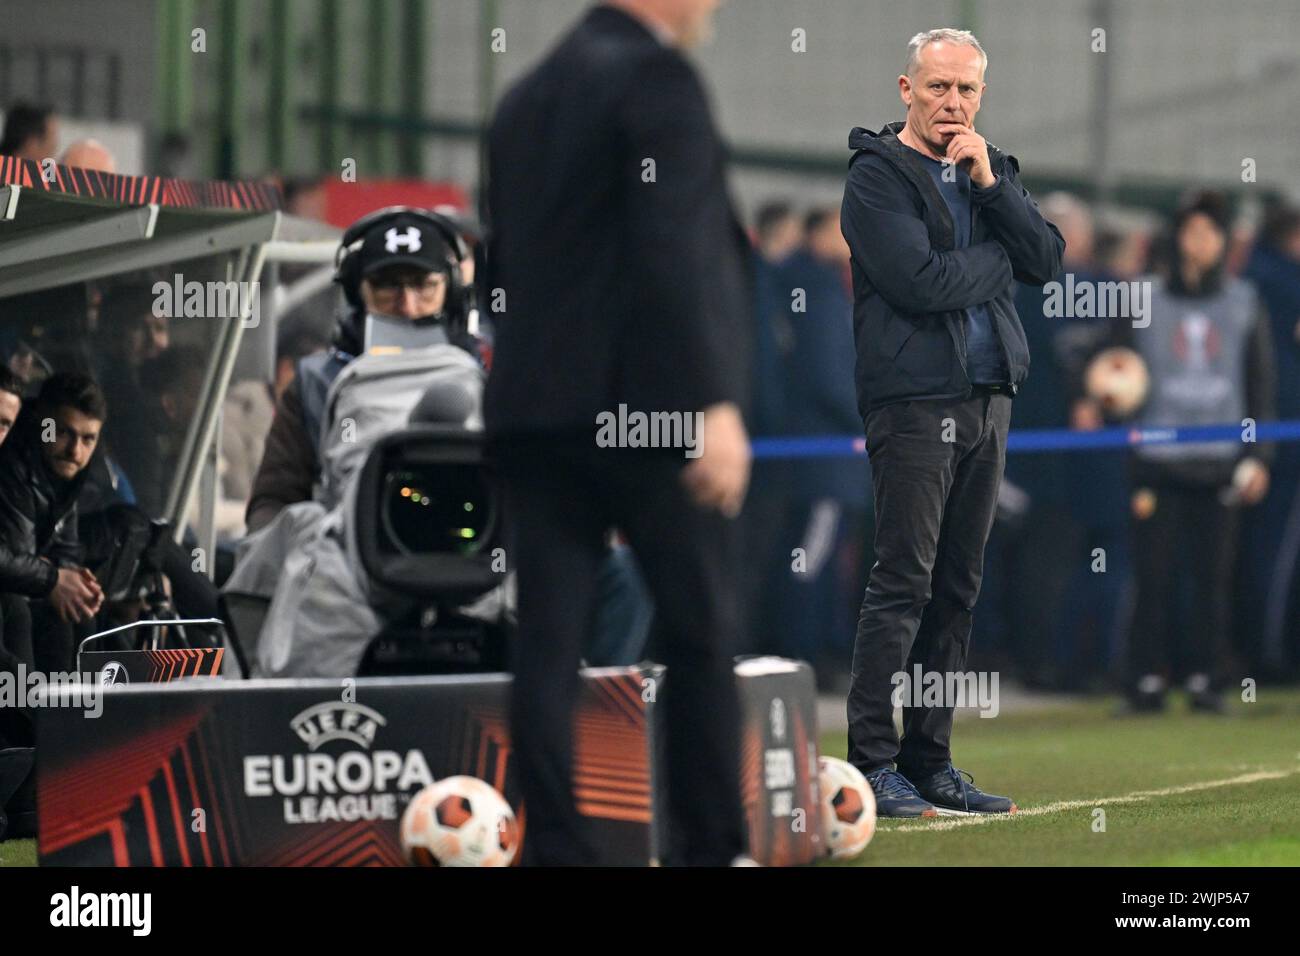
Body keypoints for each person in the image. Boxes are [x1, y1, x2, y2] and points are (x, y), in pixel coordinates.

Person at [485, 0, 752, 866]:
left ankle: (557, 851)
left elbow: (509, 261)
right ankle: (711, 849)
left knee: (549, 645)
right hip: (642, 407)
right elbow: (673, 247)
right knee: (700, 629)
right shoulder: (657, 80)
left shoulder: (523, 97)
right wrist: (710, 402)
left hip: (532, 410)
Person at [840, 28, 1063, 816]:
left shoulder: (989, 171)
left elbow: (1048, 257)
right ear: (907, 90)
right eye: (938, 88)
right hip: (913, 405)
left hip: (988, 397)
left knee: (957, 590)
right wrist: (999, 257)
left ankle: (929, 760)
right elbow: (920, 282)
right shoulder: (875, 179)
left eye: (966, 90)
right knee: (902, 581)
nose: (953, 104)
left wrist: (993, 190)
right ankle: (869, 764)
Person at [1086, 192, 1276, 713]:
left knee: (1214, 579)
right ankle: (1143, 679)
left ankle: (1205, 680)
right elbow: (1114, 362)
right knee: (1152, 576)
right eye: (1192, 231)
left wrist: (1259, 456)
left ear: (1223, 242)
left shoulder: (1243, 300)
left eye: (1211, 232)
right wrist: (1104, 398)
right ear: (1177, 237)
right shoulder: (1143, 297)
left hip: (1220, 460)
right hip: (1157, 460)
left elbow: (1260, 383)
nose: (1200, 242)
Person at [246, 208, 477, 533]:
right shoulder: (316, 383)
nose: (407, 305)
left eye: (424, 286)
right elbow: (273, 503)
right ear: (357, 290)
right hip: (344, 567)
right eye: (387, 286)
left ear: (450, 289)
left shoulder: (480, 379)